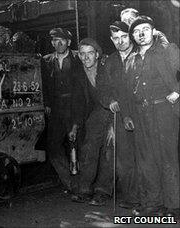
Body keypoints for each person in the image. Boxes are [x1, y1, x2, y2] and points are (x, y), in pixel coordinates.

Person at [125, 15, 180, 216]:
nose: (141, 34)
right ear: (133, 36)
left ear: (153, 31)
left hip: (164, 111)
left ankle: (174, 205)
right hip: (140, 114)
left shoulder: (168, 50)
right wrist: (127, 115)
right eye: (137, 31)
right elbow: (127, 91)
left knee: (167, 157)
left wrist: (178, 91)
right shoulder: (131, 58)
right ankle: (153, 202)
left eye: (146, 29)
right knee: (146, 160)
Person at [97, 21, 140, 209]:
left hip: (144, 113)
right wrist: (109, 101)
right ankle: (132, 198)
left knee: (147, 157)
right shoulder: (110, 62)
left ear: (130, 36)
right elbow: (102, 88)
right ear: (111, 40)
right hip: (122, 115)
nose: (120, 41)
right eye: (116, 38)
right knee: (124, 159)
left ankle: (152, 198)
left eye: (124, 37)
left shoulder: (141, 55)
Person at [41, 28, 86, 196]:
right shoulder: (46, 60)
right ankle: (70, 182)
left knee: (78, 145)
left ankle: (84, 183)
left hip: (75, 105)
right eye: (54, 40)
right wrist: (47, 103)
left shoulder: (78, 58)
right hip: (56, 108)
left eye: (61, 40)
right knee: (53, 147)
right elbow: (44, 85)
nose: (57, 43)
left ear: (68, 42)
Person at [72, 38, 113, 206]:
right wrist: (75, 125)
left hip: (113, 110)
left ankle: (102, 191)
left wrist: (112, 125)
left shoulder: (107, 67)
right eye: (82, 54)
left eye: (90, 53)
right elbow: (78, 102)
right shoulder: (78, 73)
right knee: (89, 150)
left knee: (109, 152)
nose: (86, 57)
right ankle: (85, 190)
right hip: (96, 113)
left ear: (97, 54)